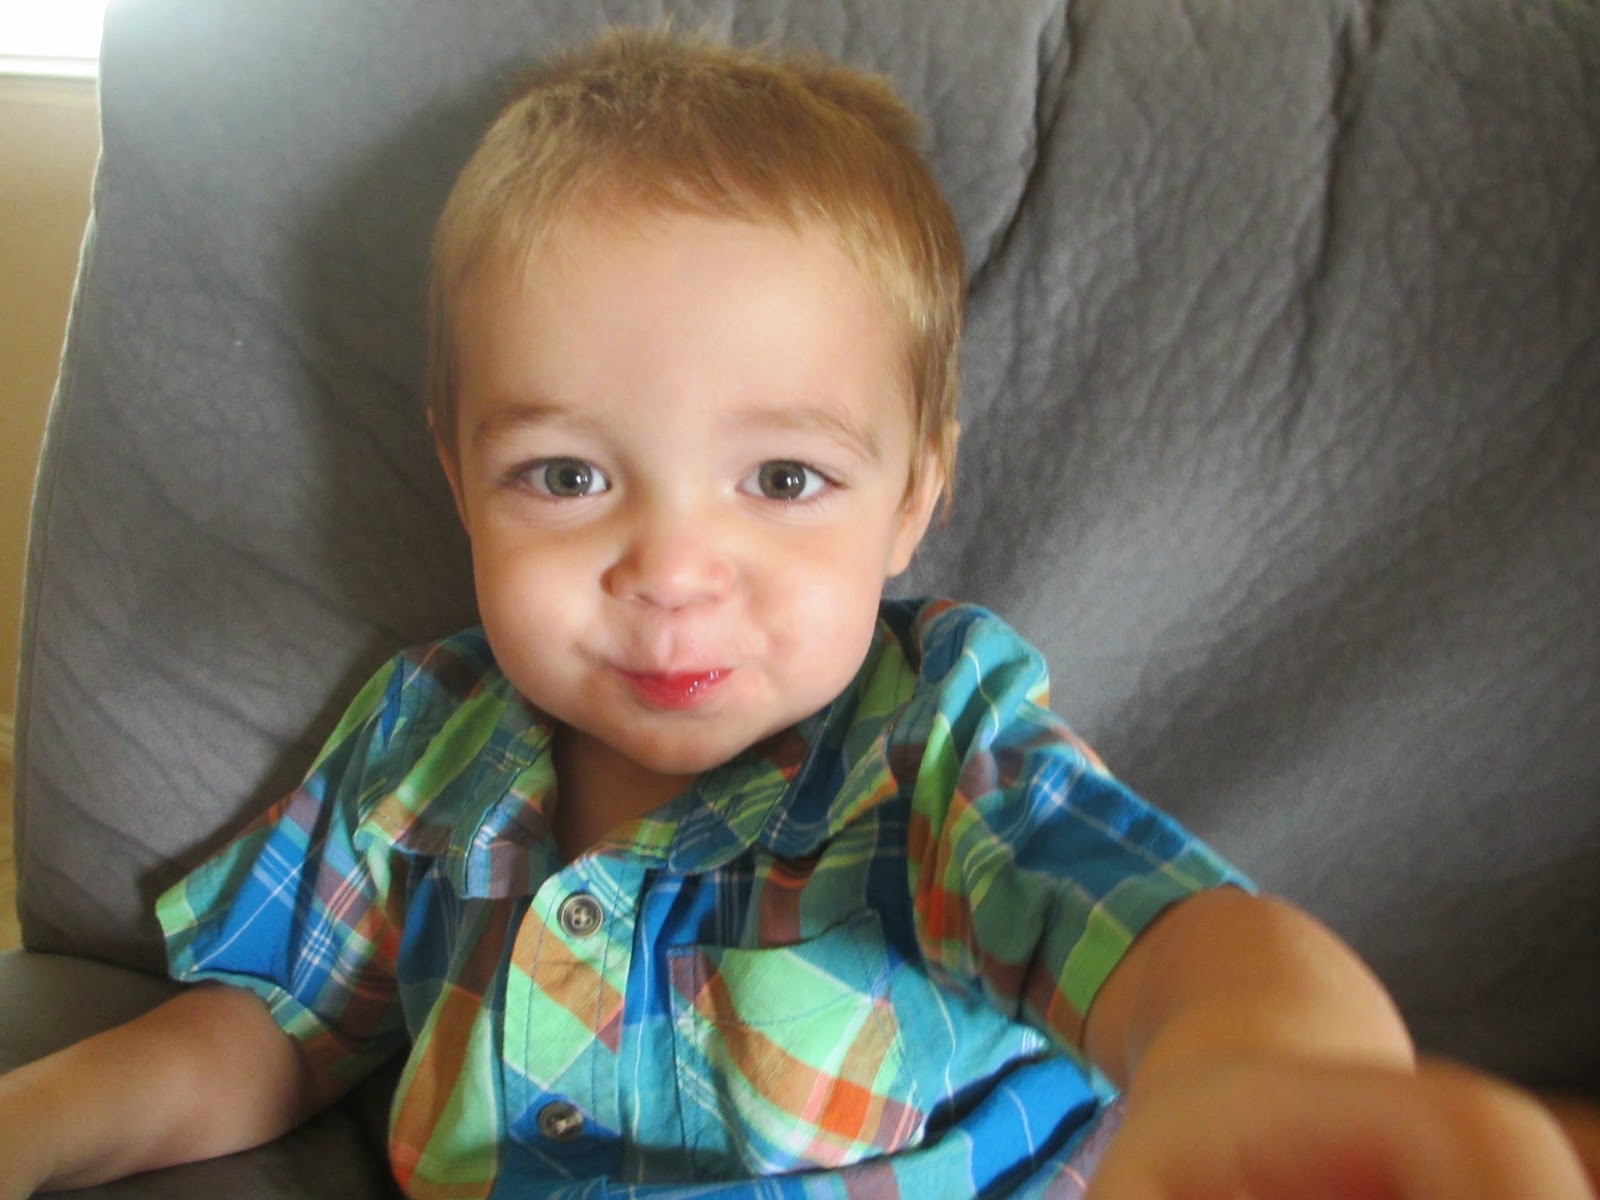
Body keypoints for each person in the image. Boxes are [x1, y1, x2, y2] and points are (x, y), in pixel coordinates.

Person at [0, 26, 1593, 1200]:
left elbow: (1177, 945)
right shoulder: (427, 742)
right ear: (457, 475)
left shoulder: (936, 748)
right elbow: (279, 1029)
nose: (672, 569)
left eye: (782, 480)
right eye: (565, 475)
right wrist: (40, 1122)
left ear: (911, 497)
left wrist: (1270, 1070)